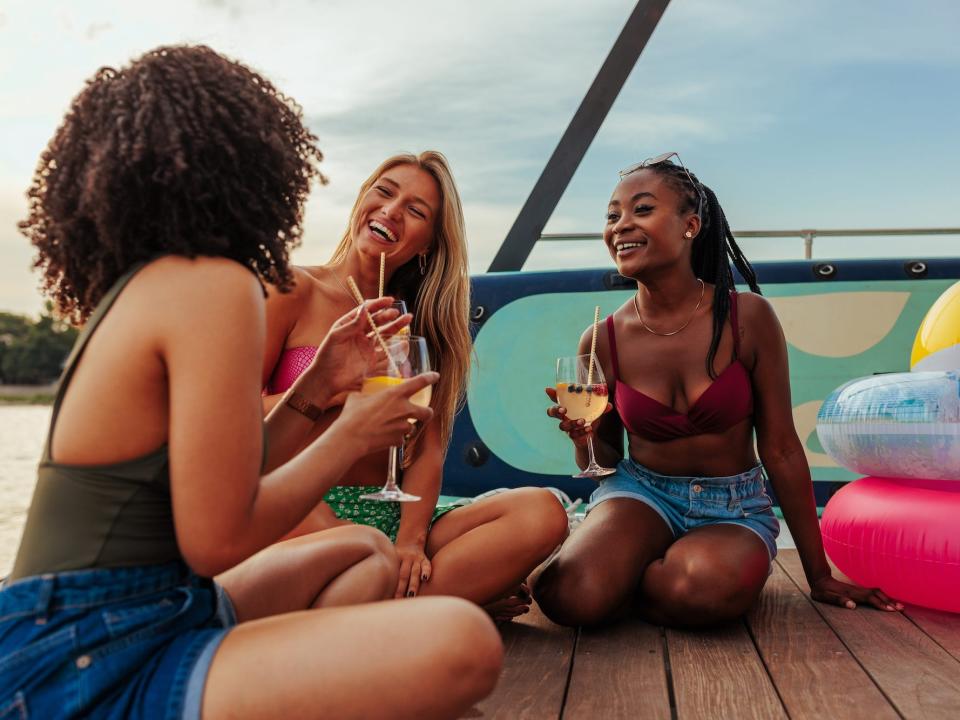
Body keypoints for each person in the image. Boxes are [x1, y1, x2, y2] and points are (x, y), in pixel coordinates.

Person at [0, 45, 501, 719]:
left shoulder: (154, 283)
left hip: (143, 606)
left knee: (364, 549)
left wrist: (314, 390)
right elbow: (218, 539)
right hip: (85, 652)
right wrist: (348, 428)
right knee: (462, 641)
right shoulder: (220, 287)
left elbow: (230, 469)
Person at [533, 153, 904, 628]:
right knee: (570, 597)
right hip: (640, 495)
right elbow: (601, 463)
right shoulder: (601, 338)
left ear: (691, 225)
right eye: (612, 215)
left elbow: (782, 449)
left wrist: (819, 575)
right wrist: (581, 439)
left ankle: (643, 570)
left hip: (733, 506)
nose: (621, 225)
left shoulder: (747, 318)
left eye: (642, 210)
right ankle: (624, 563)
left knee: (699, 591)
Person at [261, 151, 569, 620]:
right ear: (362, 199)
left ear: (427, 242)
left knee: (543, 513)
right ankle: (436, 603)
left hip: (389, 512)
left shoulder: (424, 326)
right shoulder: (290, 289)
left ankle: (373, 606)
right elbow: (234, 421)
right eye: (384, 192)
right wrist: (339, 389)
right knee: (357, 549)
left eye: (415, 210)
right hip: (301, 506)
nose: (391, 210)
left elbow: (427, 453)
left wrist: (410, 541)